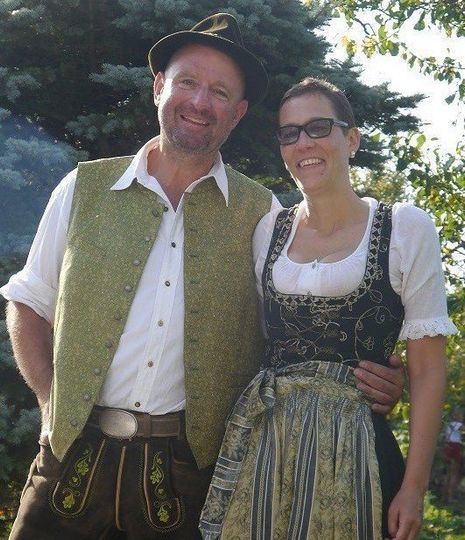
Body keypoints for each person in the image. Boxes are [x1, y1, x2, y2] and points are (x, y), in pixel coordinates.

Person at [1, 15, 404, 540]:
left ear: (237, 113)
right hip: (67, 461)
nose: (199, 102)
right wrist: (51, 405)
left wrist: (369, 374)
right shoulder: (82, 188)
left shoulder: (264, 215)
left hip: (187, 479)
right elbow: (28, 301)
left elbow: (298, 329)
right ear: (158, 87)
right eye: (187, 82)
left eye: (219, 92)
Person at [200, 77, 458, 540]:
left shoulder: (404, 228)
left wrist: (414, 488)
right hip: (269, 447)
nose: (303, 143)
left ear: (351, 139)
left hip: (357, 449)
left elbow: (427, 370)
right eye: (289, 133)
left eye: (319, 127)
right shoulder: (268, 230)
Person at [442, 409, 464, 502]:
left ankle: (444, 496)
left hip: (447, 446)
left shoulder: (448, 424)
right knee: (454, 472)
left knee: (448, 472)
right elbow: (463, 429)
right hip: (455, 446)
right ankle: (450, 496)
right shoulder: (457, 424)